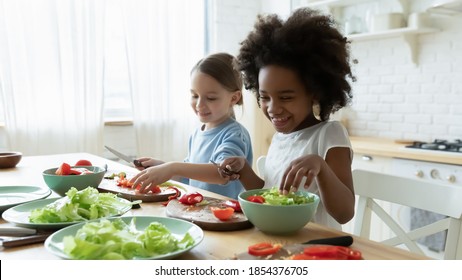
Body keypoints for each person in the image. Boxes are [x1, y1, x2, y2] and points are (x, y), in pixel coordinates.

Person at [219, 8, 356, 230]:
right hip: (279, 244)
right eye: (264, 97)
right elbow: (272, 193)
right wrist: (244, 170)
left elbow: (344, 213)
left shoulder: (330, 134)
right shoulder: (280, 138)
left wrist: (320, 167)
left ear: (315, 91)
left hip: (319, 249)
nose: (273, 108)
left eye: (286, 97)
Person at [129, 52, 253, 200]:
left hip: (225, 216)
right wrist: (160, 168)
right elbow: (188, 176)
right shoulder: (197, 134)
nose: (199, 104)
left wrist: (171, 168)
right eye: (194, 95)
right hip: (199, 210)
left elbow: (221, 174)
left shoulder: (235, 134)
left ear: (234, 98)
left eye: (211, 98)